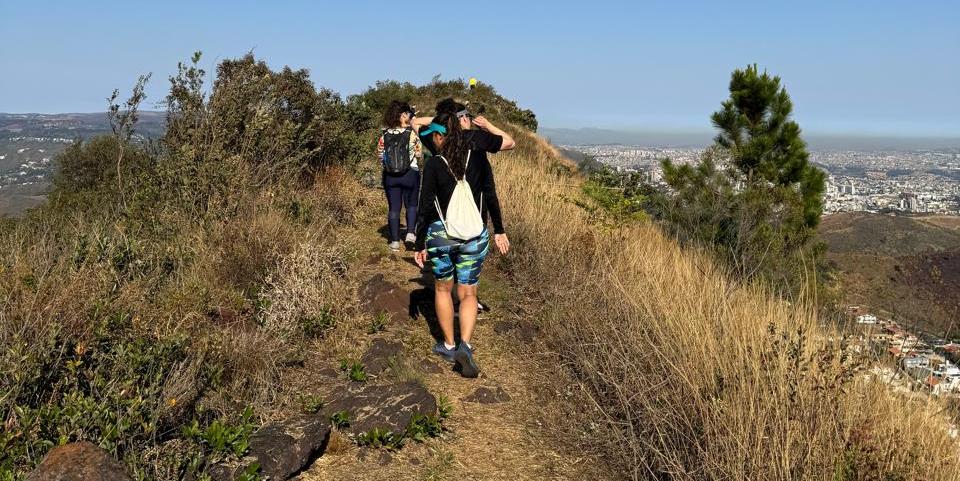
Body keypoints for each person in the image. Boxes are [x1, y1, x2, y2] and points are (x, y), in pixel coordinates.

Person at [414, 112, 511, 378]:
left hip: (441, 236)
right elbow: (490, 195)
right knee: (468, 293)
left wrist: (420, 243)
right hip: (474, 235)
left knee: (443, 290)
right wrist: (499, 230)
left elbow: (425, 206)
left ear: (439, 136)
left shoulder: (434, 164)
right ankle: (465, 345)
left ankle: (447, 344)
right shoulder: (478, 157)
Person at [377, 101, 423, 250]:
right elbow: (419, 153)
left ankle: (395, 241)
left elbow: (380, 156)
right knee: (412, 204)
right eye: (408, 114)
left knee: (394, 208)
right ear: (403, 115)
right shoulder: (412, 134)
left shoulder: (384, 135)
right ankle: (410, 234)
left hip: (390, 177)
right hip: (410, 173)